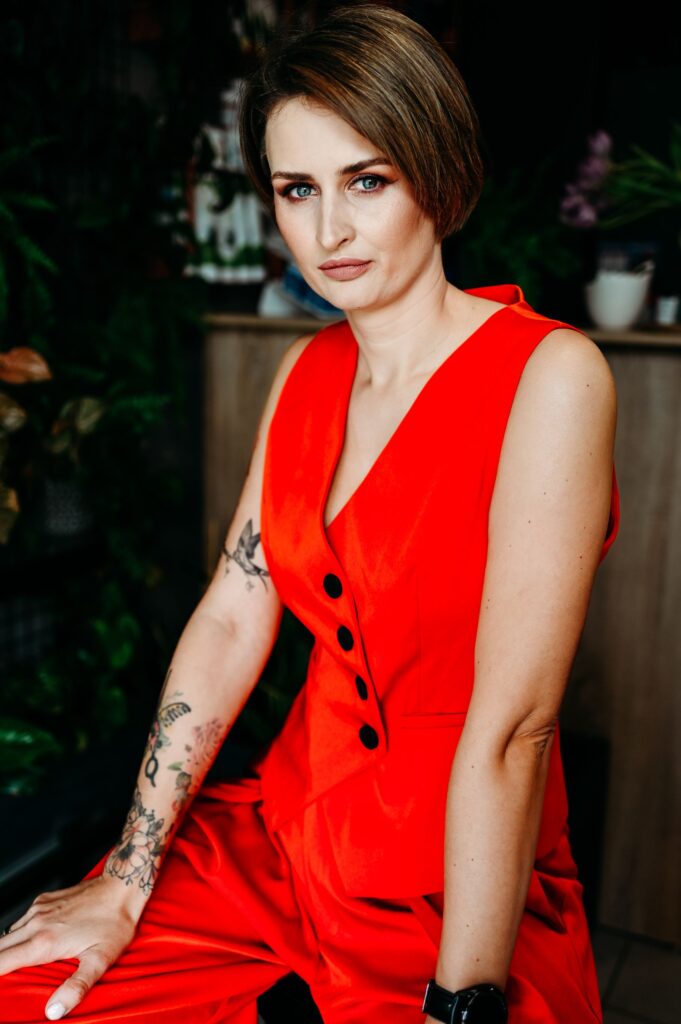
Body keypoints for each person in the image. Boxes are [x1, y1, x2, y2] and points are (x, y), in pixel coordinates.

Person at [0, 5, 620, 1022]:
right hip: (285, 838)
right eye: (297, 189)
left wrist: (461, 1002)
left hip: (454, 884)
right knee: (29, 994)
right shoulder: (305, 371)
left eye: (366, 180)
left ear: (436, 171)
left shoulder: (550, 375)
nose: (327, 231)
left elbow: (515, 728)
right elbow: (232, 612)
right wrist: (128, 873)